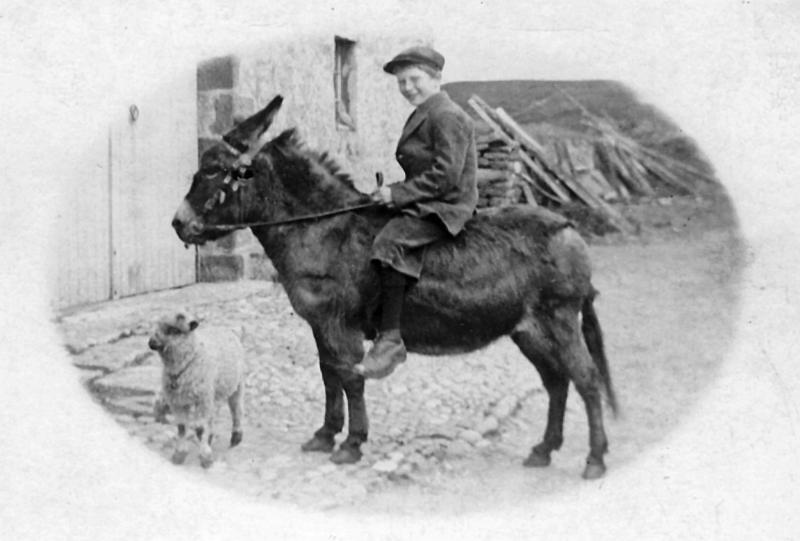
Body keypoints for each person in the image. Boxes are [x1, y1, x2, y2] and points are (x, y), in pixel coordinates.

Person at [355, 45, 478, 379]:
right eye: (402, 83)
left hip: (447, 204)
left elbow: (446, 175)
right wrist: (389, 194)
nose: (408, 87)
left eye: (414, 79)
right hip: (428, 197)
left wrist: (398, 194)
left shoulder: (446, 115)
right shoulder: (426, 111)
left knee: (390, 242)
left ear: (436, 78)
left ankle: (391, 339)